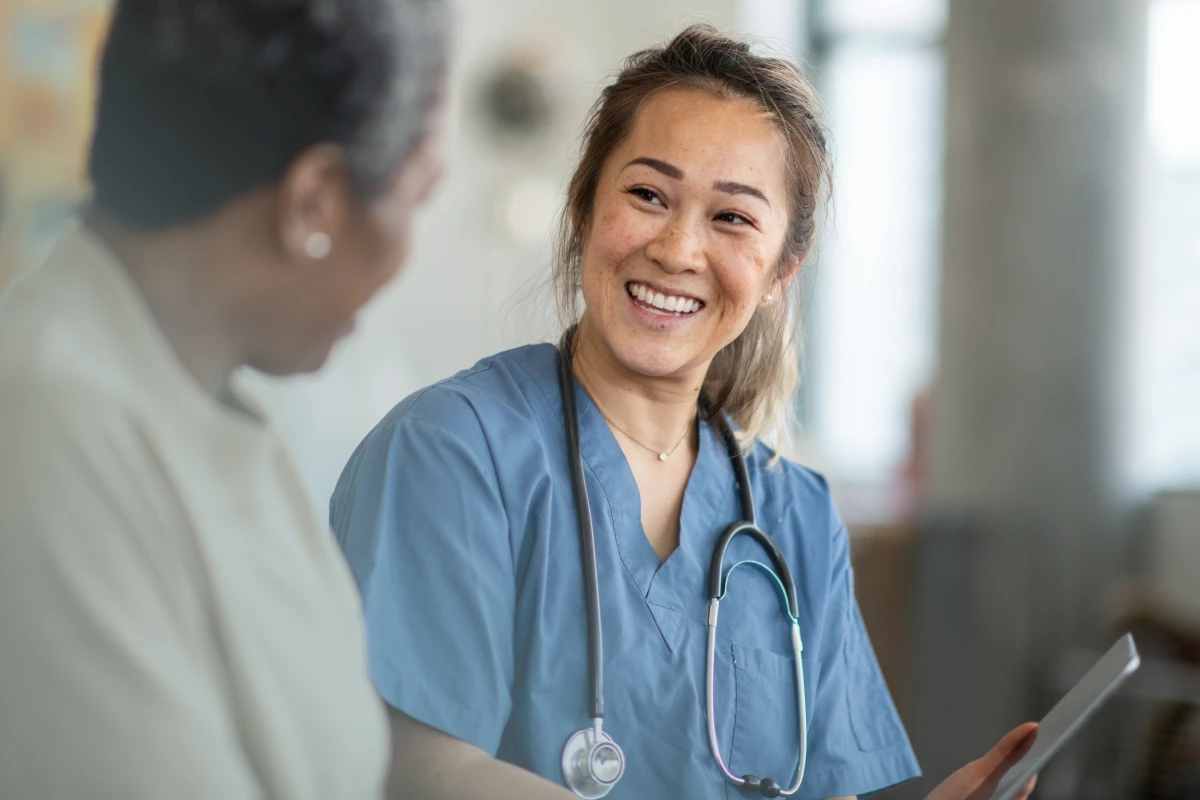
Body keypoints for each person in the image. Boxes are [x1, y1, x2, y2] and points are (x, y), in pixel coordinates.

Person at [331, 24, 1039, 800]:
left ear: (779, 272)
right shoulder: (451, 453)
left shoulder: (794, 516)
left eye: (731, 218)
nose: (676, 249)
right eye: (647, 195)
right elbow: (423, 770)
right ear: (584, 210)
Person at [0, 0, 448, 797]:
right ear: (315, 202)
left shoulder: (211, 411)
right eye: (417, 196)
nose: (411, 251)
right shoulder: (45, 429)